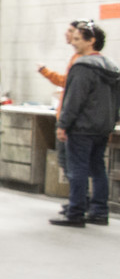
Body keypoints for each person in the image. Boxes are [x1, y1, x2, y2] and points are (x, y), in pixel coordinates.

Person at [52, 20, 115, 228]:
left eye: (78, 39)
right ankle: (99, 211)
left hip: (81, 127)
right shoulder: (111, 68)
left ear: (91, 41)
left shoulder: (82, 66)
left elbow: (74, 99)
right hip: (102, 128)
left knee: (77, 168)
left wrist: (63, 124)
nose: (74, 43)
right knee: (98, 168)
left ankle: (76, 213)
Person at [38, 21, 88, 214]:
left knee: (73, 164)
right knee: (69, 163)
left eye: (73, 34)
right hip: (67, 115)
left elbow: (72, 89)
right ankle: (78, 202)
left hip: (71, 119)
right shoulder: (76, 58)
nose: (69, 37)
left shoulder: (81, 61)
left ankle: (79, 205)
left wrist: (64, 123)